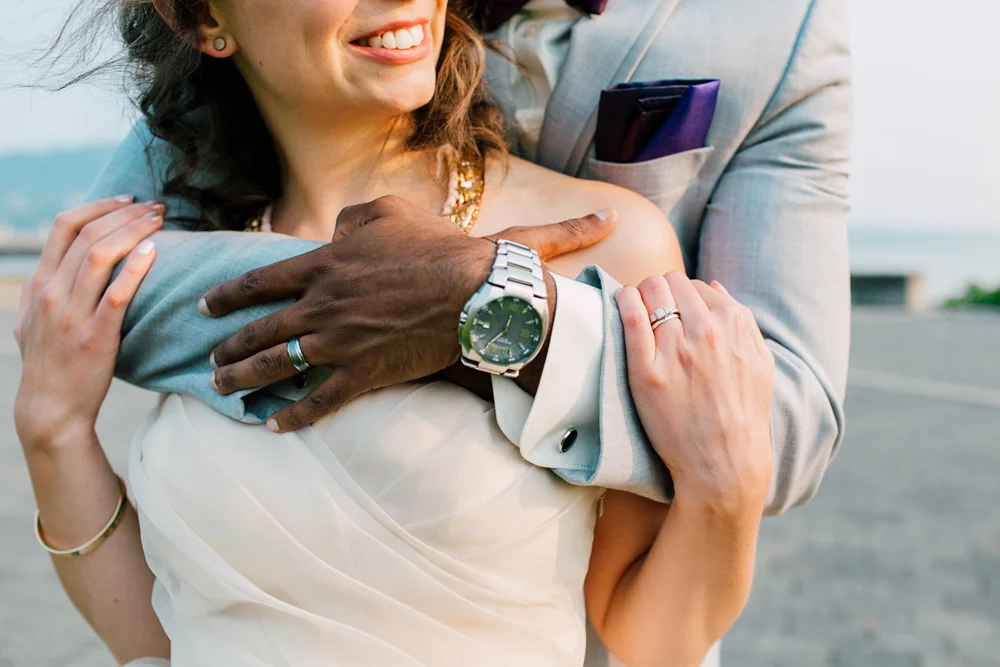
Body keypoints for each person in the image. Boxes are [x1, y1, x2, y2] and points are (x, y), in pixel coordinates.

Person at [14, 1, 778, 666]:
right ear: (205, 18)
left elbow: (650, 640)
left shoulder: (606, 246)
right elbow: (169, 634)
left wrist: (729, 493)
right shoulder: (189, 273)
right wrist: (54, 433)